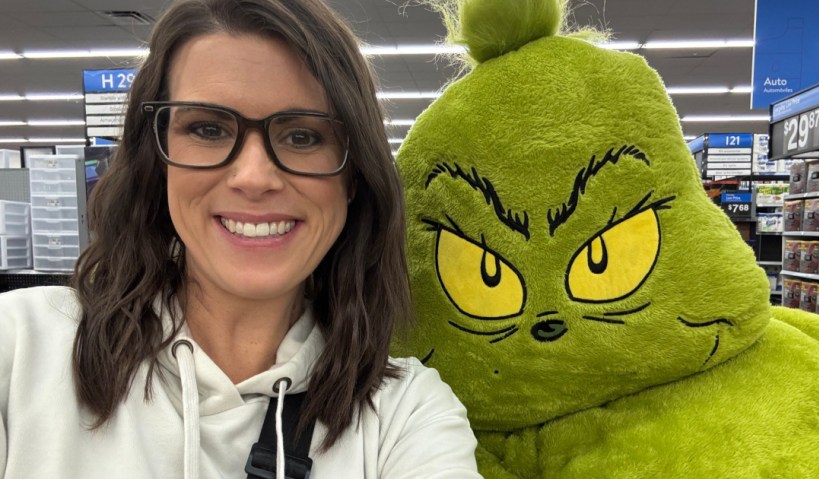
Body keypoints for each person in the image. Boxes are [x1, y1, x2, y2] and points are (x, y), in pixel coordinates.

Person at [0, 0, 481, 478]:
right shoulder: (20, 348)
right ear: (157, 160)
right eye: (207, 129)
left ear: (354, 177)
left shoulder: (404, 416)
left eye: (303, 136)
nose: (253, 177)